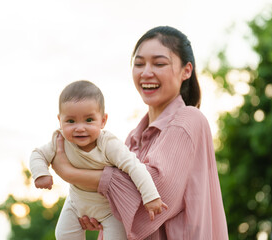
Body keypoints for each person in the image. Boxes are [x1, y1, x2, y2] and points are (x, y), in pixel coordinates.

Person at [51, 26, 229, 240]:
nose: (146, 72)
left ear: (186, 70)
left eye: (159, 63)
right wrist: (96, 211)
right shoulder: (132, 139)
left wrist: (70, 173)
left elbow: (156, 193)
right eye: (139, 63)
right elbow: (119, 205)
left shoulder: (189, 119)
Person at [30, 80, 167, 240]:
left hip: (109, 209)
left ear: (103, 120)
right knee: (63, 234)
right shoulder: (60, 140)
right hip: (76, 203)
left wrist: (150, 196)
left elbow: (134, 167)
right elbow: (37, 154)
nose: (80, 128)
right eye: (71, 121)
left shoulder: (108, 144)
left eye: (89, 120)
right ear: (60, 120)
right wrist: (40, 173)